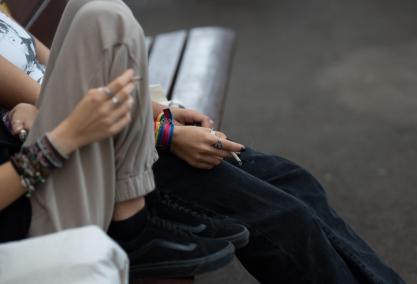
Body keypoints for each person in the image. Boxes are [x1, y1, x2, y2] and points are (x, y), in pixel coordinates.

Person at [0, 0, 405, 283]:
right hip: (85, 152)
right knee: (280, 217)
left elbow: (51, 71)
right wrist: (166, 133)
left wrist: (158, 112)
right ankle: (137, 222)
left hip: (101, 128)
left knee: (292, 181)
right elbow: (56, 102)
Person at [0, 0, 249, 279]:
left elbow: (40, 69)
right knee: (105, 19)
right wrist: (63, 139)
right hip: (34, 223)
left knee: (98, 8)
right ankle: (133, 222)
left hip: (51, 161)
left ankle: (137, 205)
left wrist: (17, 111)